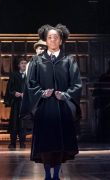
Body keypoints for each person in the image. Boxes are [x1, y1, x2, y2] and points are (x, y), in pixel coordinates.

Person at [28, 24, 82, 180]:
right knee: (45, 143)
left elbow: (76, 83)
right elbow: (31, 83)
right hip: (44, 107)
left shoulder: (69, 60)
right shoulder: (37, 60)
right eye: (49, 37)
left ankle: (56, 175)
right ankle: (47, 175)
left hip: (62, 107)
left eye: (56, 37)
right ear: (45, 40)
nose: (52, 40)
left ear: (61, 40)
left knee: (59, 142)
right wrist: (41, 93)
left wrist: (65, 95)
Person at [5, 57, 29, 149]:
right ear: (18, 65)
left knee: (23, 123)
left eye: (25, 63)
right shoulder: (14, 75)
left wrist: (25, 94)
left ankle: (22, 142)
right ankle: (13, 143)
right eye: (22, 63)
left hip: (25, 103)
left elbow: (32, 88)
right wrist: (15, 93)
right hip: (16, 103)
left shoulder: (29, 75)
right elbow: (9, 89)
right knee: (14, 123)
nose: (24, 65)